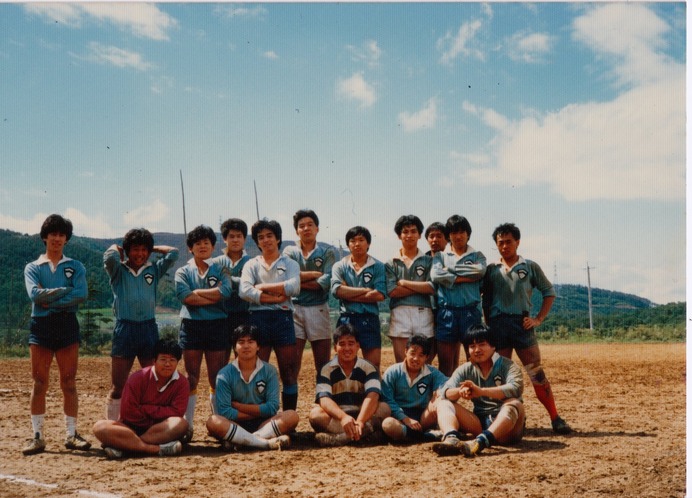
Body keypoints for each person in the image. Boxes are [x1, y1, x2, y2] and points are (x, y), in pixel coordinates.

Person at [482, 223, 571, 434]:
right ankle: (514, 419)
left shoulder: (529, 266)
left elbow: (549, 292)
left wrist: (538, 319)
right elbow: (484, 298)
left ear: (517, 242)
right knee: (501, 376)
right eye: (500, 243)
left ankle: (555, 417)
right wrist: (487, 324)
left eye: (508, 242)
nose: (504, 246)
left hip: (522, 325)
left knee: (536, 373)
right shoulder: (491, 270)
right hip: (498, 326)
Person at [22, 214, 91, 455]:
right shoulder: (32, 267)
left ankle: (71, 435)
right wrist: (65, 293)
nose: (57, 238)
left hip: (66, 325)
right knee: (39, 382)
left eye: (62, 235)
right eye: (53, 234)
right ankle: (38, 436)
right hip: (40, 326)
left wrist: (50, 298)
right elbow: (34, 296)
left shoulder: (76, 266)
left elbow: (81, 294)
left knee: (69, 382)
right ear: (45, 237)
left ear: (66, 239)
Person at [103, 228, 179, 421]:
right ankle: (113, 428)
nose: (140, 254)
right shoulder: (118, 270)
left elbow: (174, 253)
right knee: (118, 386)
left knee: (154, 382)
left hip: (148, 329)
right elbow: (110, 256)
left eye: (144, 250)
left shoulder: (153, 270)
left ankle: (152, 425)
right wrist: (117, 247)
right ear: (127, 250)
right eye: (135, 249)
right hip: (124, 329)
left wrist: (153, 249)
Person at [175, 225, 233, 442]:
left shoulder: (221, 268)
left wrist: (197, 292)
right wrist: (211, 296)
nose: (202, 246)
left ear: (213, 246)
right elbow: (185, 297)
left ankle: (219, 426)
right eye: (197, 243)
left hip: (217, 325)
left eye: (206, 242)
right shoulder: (183, 271)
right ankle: (187, 427)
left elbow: (225, 292)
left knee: (216, 378)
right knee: (191, 377)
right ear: (191, 248)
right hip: (191, 326)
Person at [432, 324, 525, 457]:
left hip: (508, 429)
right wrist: (460, 391)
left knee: (514, 403)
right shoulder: (466, 369)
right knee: (443, 402)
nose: (477, 350)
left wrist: (481, 391)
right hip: (479, 423)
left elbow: (515, 388)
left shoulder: (508, 365)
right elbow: (445, 391)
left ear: (493, 346)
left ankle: (480, 442)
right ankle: (451, 438)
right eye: (472, 346)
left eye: (482, 344)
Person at [239, 219, 301, 411]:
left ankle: (289, 418)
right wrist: (275, 298)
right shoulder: (251, 264)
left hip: (283, 319)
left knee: (289, 371)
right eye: (260, 237)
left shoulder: (290, 263)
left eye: (269, 236)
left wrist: (263, 287)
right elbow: (244, 291)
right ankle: (259, 417)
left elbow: (294, 287)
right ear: (257, 242)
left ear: (278, 238)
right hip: (258, 319)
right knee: (259, 370)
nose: (265, 240)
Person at [92, 339, 189, 459]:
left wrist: (145, 409)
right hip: (130, 428)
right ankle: (155, 449)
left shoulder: (182, 383)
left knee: (181, 424)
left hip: (159, 430)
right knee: (99, 427)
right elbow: (128, 412)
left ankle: (125, 446)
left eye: (172, 360)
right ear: (154, 360)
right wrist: (157, 414)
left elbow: (177, 412)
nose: (167, 364)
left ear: (178, 362)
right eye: (163, 359)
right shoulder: (137, 378)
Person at [206, 325, 296, 451]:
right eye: (241, 342)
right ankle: (264, 443)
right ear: (235, 347)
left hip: (264, 424)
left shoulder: (270, 371)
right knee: (213, 421)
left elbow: (272, 408)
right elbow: (225, 412)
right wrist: (256, 412)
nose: (246, 346)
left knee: (292, 416)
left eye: (251, 341)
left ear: (258, 346)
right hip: (234, 423)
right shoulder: (224, 374)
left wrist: (239, 406)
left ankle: (242, 441)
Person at [309, 323, 390, 447]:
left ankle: (340, 439)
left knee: (384, 408)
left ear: (358, 346)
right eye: (342, 344)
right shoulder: (326, 370)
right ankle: (363, 435)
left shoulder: (369, 368)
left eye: (351, 344)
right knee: (315, 415)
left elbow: (373, 396)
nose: (347, 348)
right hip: (338, 417)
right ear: (335, 347)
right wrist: (343, 418)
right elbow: (324, 400)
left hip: (363, 414)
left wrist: (361, 421)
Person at [430, 215, 486, 377]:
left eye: (462, 232)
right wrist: (466, 277)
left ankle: (480, 399)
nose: (458, 236)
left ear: (468, 234)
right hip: (447, 313)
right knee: (446, 365)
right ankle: (447, 400)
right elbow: (436, 276)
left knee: (476, 360)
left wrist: (450, 272)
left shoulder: (477, 256)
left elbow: (480, 271)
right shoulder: (440, 256)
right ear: (449, 236)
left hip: (471, 312)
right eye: (454, 232)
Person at [283, 209, 336, 379]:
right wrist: (314, 274)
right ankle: (291, 405)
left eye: (310, 225)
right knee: (291, 364)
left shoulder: (327, 253)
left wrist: (297, 281)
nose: (306, 228)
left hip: (318, 308)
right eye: (301, 226)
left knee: (322, 364)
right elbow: (286, 277)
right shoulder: (290, 252)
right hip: (294, 308)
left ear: (317, 228)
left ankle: (322, 402)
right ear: (297, 231)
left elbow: (326, 282)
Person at [330, 226, 386, 370]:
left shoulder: (378, 266)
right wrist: (366, 290)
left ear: (368, 243)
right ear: (348, 244)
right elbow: (337, 291)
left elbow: (379, 294)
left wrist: (349, 292)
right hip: (346, 319)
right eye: (353, 240)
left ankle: (373, 393)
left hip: (369, 318)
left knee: (373, 366)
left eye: (361, 240)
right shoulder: (339, 266)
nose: (357, 244)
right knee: (344, 364)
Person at [385, 215, 436, 363]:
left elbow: (432, 287)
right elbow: (392, 291)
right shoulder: (390, 263)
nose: (409, 235)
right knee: (402, 362)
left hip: (424, 312)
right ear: (399, 235)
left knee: (423, 361)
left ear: (420, 235)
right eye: (405, 231)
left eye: (413, 231)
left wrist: (404, 283)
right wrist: (420, 286)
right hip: (399, 312)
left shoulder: (429, 261)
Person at [380, 334, 447, 442]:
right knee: (388, 424)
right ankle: (424, 437)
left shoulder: (431, 372)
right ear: (405, 351)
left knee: (440, 400)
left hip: (423, 418)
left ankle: (412, 435)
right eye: (412, 353)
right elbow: (388, 399)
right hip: (400, 418)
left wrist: (439, 392)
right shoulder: (392, 372)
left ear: (427, 357)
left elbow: (447, 384)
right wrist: (405, 419)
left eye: (421, 355)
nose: (416, 358)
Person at [215, 218, 251, 364]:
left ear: (244, 238)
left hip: (245, 315)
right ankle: (218, 388)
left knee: (243, 359)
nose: (235, 240)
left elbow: (250, 287)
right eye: (231, 236)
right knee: (220, 361)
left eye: (239, 236)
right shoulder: (216, 263)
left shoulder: (253, 262)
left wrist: (228, 282)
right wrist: (241, 282)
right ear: (224, 239)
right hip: (221, 316)